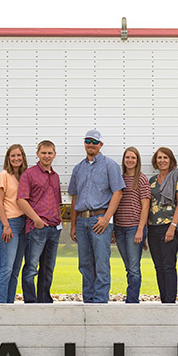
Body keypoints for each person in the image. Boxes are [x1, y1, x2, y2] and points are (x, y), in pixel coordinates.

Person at [68, 130, 125, 303]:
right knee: (85, 264)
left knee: (101, 263)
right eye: (88, 141)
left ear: (100, 145)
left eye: (94, 142)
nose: (90, 144)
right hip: (81, 221)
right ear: (84, 143)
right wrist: (72, 225)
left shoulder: (110, 166)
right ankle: (89, 300)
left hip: (100, 219)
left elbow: (117, 193)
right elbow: (75, 196)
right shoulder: (78, 168)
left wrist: (107, 218)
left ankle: (100, 301)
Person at [18, 140, 62, 303]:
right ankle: (30, 301)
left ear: (54, 155)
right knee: (31, 267)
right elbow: (21, 200)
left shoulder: (56, 177)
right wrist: (36, 220)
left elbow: (57, 202)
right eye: (43, 153)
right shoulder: (29, 174)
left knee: (48, 268)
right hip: (37, 228)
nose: (47, 156)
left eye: (50, 153)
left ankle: (44, 300)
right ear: (37, 154)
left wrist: (59, 224)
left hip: (54, 228)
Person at [147, 147, 178, 304]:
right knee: (158, 267)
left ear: (171, 160)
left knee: (169, 265)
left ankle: (170, 302)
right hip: (152, 228)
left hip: (169, 226)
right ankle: (163, 300)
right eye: (159, 158)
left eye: (165, 158)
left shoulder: (177, 177)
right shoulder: (152, 181)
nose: (162, 160)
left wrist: (173, 226)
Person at [114, 146, 150, 303]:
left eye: (133, 158)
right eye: (127, 157)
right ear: (123, 160)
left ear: (137, 161)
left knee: (134, 268)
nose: (130, 160)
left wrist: (140, 230)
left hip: (134, 228)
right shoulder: (119, 179)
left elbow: (146, 206)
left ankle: (132, 300)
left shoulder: (141, 179)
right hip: (119, 228)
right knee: (128, 267)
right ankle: (130, 297)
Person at [0, 144, 28, 303]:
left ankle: (9, 303)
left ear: (23, 157)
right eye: (12, 156)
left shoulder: (24, 176)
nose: (16, 158)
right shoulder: (3, 175)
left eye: (19, 155)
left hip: (23, 223)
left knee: (15, 269)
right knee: (6, 267)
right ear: (8, 158)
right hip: (9, 224)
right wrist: (5, 225)